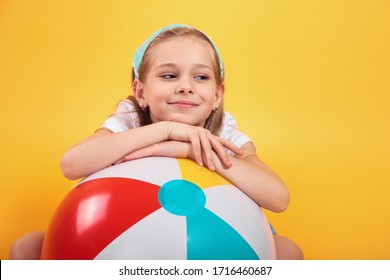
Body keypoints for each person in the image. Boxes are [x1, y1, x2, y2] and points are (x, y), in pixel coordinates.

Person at [9, 24, 303, 260]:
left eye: (201, 77)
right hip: (116, 236)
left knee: (289, 251)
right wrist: (165, 131)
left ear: (217, 96)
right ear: (141, 92)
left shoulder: (225, 130)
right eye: (169, 75)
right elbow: (71, 164)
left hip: (223, 238)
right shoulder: (129, 119)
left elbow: (278, 198)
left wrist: (187, 150)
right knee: (26, 247)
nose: (185, 86)